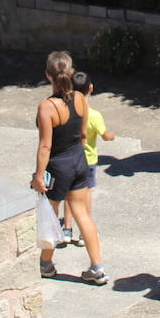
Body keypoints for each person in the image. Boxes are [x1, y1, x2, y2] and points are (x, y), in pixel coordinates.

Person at [31, 51, 107, 285]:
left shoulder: (47, 107)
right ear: (71, 73)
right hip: (79, 160)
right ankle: (97, 268)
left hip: (58, 165)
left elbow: (46, 145)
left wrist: (38, 175)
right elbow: (83, 134)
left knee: (51, 215)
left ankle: (46, 264)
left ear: (47, 75)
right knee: (82, 214)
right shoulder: (81, 99)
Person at [60, 70, 115, 248]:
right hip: (89, 160)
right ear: (91, 88)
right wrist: (110, 135)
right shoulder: (95, 115)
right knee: (87, 193)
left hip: (69, 157)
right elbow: (105, 135)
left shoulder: (66, 110)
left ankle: (66, 229)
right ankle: (85, 231)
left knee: (69, 193)